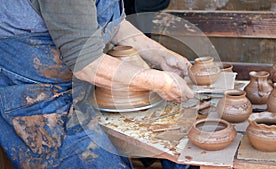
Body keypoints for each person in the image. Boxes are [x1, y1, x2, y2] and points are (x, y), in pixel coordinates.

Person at [0, 0, 194, 168]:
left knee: (180, 134)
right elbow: (87, 65)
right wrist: (158, 81)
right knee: (98, 162)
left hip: (80, 82)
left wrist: (160, 55)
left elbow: (114, 24)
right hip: (33, 92)